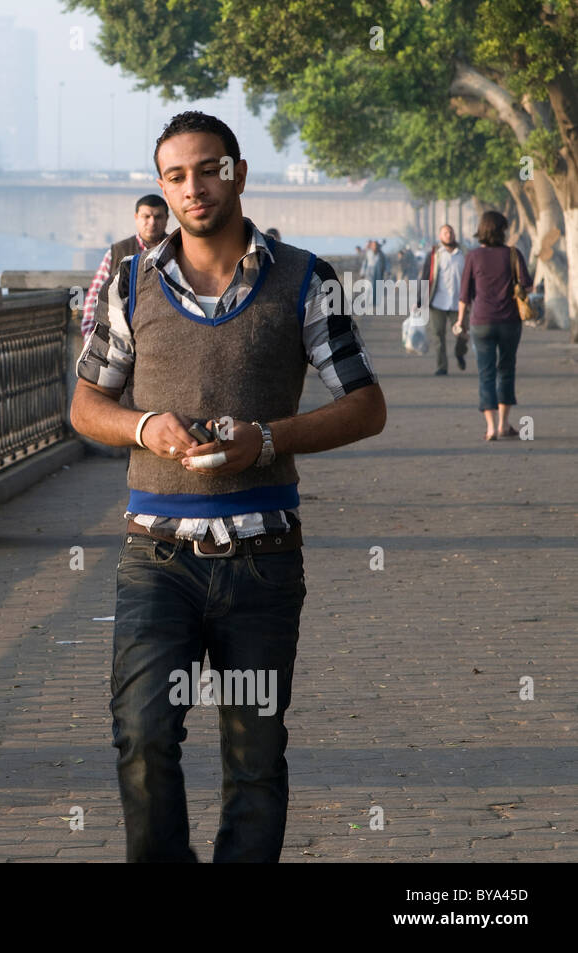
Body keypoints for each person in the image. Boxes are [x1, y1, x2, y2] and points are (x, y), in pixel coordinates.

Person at [70, 111, 386, 862]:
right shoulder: (128, 280)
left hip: (263, 559)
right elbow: (86, 405)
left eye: (208, 169)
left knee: (254, 758)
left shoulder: (305, 279)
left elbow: (366, 403)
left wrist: (268, 438)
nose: (193, 188)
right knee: (143, 735)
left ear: (239, 173)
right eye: (175, 176)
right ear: (160, 187)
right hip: (157, 559)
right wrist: (148, 427)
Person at [453, 210, 531, 441]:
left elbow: (464, 294)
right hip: (509, 322)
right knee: (506, 370)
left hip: (481, 322)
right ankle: (503, 425)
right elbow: (527, 283)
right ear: (502, 230)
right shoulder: (513, 254)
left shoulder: (474, 256)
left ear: (482, 230)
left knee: (486, 374)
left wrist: (460, 322)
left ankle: (489, 427)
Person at [81, 194, 170, 338]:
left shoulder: (179, 250)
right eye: (146, 216)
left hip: (167, 336)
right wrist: (92, 340)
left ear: (167, 218)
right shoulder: (117, 252)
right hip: (122, 339)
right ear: (136, 217)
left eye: (158, 217)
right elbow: (95, 299)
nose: (152, 222)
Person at [420, 224, 468, 375]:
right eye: (445, 232)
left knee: (462, 334)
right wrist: (420, 300)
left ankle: (459, 353)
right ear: (440, 236)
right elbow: (426, 277)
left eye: (451, 232)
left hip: (459, 303)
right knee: (438, 335)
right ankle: (442, 366)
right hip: (438, 302)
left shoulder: (464, 253)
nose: (449, 235)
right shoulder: (434, 254)